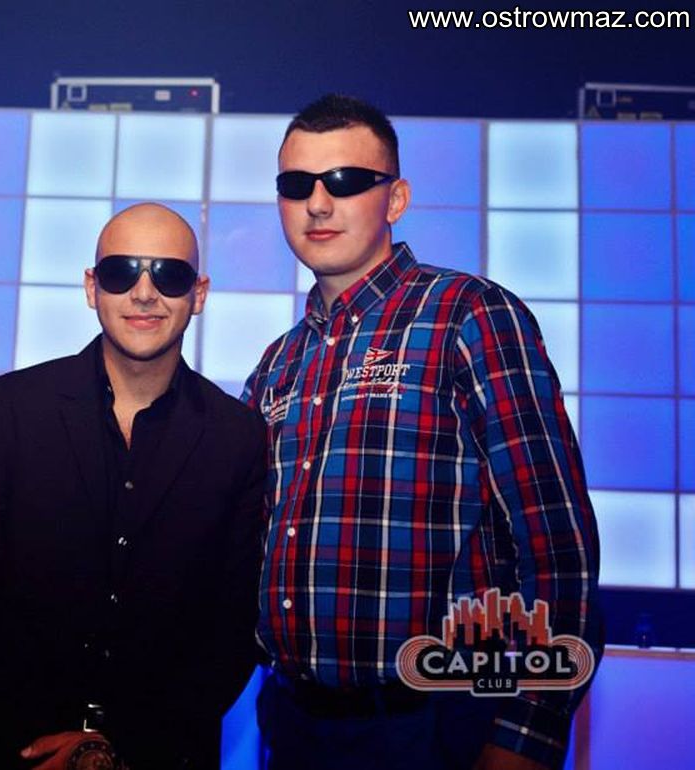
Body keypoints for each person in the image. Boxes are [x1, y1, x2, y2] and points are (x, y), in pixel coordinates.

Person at [241, 95, 601, 770]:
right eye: (297, 184)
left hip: (437, 725)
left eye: (346, 180)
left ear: (396, 198)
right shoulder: (278, 362)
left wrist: (528, 733)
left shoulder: (469, 314)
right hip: (293, 726)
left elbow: (557, 544)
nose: (317, 203)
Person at [0, 203, 267, 769]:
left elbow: (233, 622)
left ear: (199, 294)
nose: (144, 292)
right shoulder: (10, 407)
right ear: (92, 287)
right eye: (121, 271)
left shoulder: (239, 435)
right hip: (9, 749)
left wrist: (116, 748)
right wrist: (40, 737)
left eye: (169, 275)